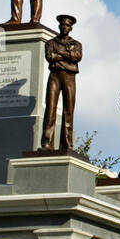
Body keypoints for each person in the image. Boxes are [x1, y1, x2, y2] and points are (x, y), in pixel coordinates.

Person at [40, 14, 82, 151]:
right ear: (59, 26)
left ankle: (67, 144)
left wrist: (60, 54)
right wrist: (67, 55)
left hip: (70, 78)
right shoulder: (50, 43)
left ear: (71, 28)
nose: (64, 27)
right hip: (55, 76)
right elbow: (49, 57)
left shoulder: (76, 44)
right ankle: (46, 143)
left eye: (67, 25)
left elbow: (77, 57)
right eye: (62, 25)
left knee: (68, 110)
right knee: (50, 108)